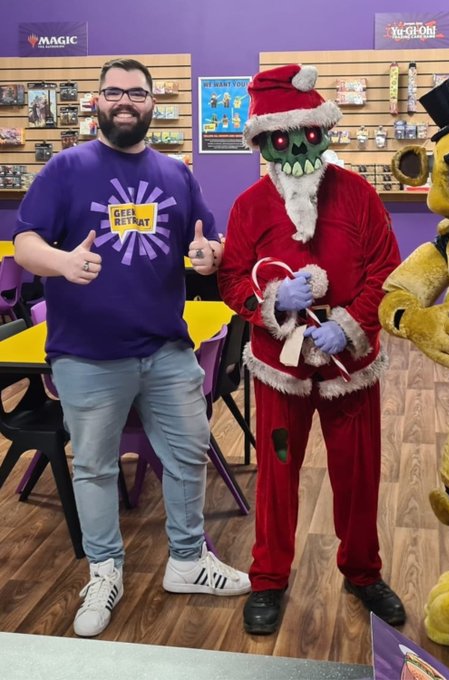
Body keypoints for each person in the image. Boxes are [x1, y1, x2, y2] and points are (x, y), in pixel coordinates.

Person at [13, 58, 250, 638]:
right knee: (95, 467)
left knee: (189, 453)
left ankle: (188, 560)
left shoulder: (176, 174)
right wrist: (61, 262)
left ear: (152, 104)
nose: (125, 101)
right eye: (114, 92)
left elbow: (207, 242)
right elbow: (23, 243)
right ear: (97, 101)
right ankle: (104, 571)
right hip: (86, 354)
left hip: (166, 348)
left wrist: (209, 257)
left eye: (137, 93)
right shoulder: (65, 168)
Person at [218, 64, 405, 635]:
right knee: (276, 475)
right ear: (263, 143)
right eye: (281, 140)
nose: (297, 148)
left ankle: (363, 571)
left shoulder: (359, 194)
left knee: (359, 474)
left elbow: (387, 269)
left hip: (350, 365)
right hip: (281, 366)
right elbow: (231, 279)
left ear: (324, 132)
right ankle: (269, 577)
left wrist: (350, 324)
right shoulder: (249, 206)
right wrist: (272, 300)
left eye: (309, 134)